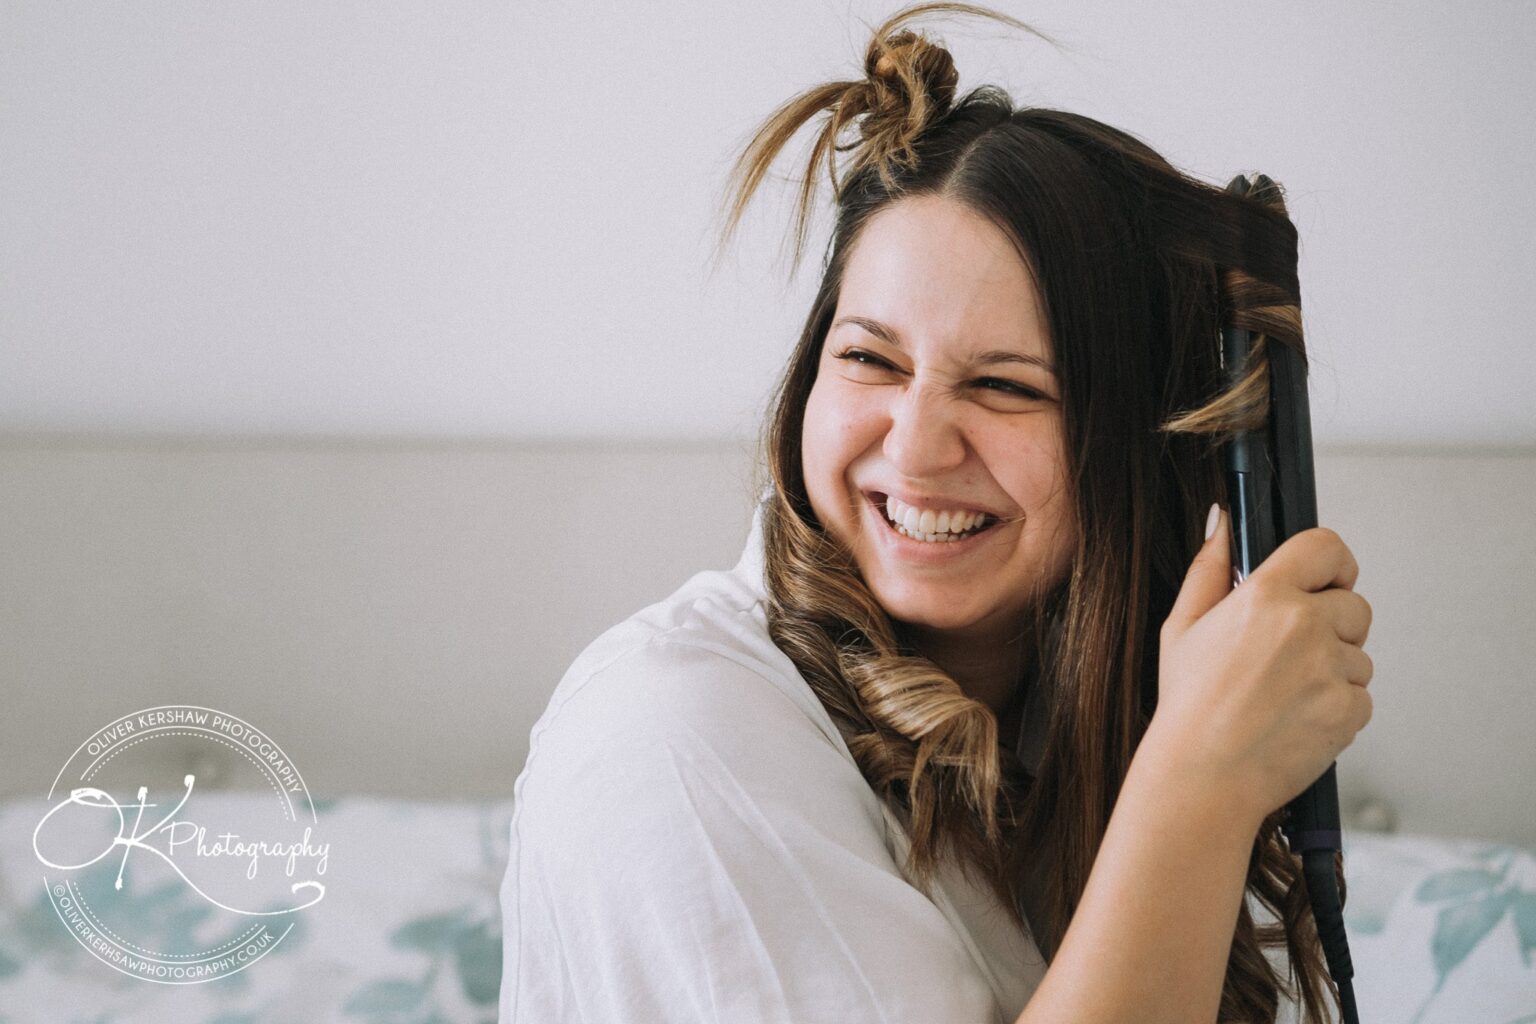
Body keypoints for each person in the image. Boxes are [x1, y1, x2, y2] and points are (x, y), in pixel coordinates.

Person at [497, 3, 1374, 1022]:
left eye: (1006, 387)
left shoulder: (1061, 750)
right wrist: (1202, 779)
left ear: (1144, 447)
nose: (914, 446)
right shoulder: (670, 737)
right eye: (870, 358)